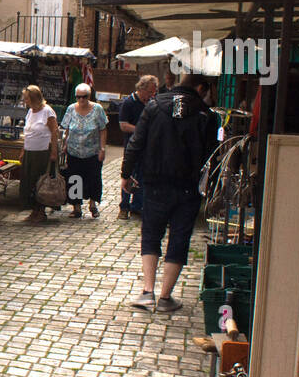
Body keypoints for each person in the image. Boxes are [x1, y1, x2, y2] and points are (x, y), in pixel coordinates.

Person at [121, 72, 220, 313]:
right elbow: (213, 156)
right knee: (179, 237)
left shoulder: (154, 106)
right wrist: (212, 186)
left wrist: (126, 174)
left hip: (156, 181)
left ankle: (147, 292)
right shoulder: (208, 115)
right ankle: (165, 297)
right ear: (199, 88)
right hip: (189, 186)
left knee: (151, 234)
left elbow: (136, 141)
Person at [59, 83, 109, 218]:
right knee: (75, 178)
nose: (81, 100)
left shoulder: (97, 109)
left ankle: (93, 205)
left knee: (93, 178)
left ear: (89, 96)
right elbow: (66, 128)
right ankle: (76, 207)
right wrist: (64, 144)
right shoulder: (71, 109)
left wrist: (102, 148)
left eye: (84, 97)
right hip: (74, 150)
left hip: (92, 151)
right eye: (78, 97)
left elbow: (103, 129)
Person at [117, 74, 158, 219]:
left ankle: (136, 206)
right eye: (149, 92)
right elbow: (123, 125)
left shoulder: (152, 103)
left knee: (142, 175)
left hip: (147, 147)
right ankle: (124, 206)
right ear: (141, 88)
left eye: (153, 92)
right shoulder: (128, 102)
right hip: (132, 146)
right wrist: (141, 130)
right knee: (129, 174)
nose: (151, 95)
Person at [19, 85, 60, 224]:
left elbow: (54, 132)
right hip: (30, 151)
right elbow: (27, 132)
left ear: (34, 98)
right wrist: (23, 150)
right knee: (29, 181)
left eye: (27, 99)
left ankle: (41, 211)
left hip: (42, 152)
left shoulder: (47, 112)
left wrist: (54, 151)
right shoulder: (30, 112)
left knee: (40, 181)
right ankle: (33, 211)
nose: (25, 102)